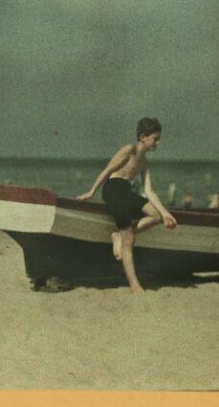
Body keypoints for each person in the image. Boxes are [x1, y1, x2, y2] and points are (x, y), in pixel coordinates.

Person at [76, 117, 177, 293]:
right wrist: (91, 191)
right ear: (143, 137)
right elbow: (107, 170)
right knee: (129, 238)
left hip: (127, 192)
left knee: (156, 215)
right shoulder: (129, 150)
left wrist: (166, 213)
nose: (158, 143)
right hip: (114, 189)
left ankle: (117, 236)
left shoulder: (145, 162)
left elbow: (149, 191)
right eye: (155, 138)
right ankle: (134, 286)